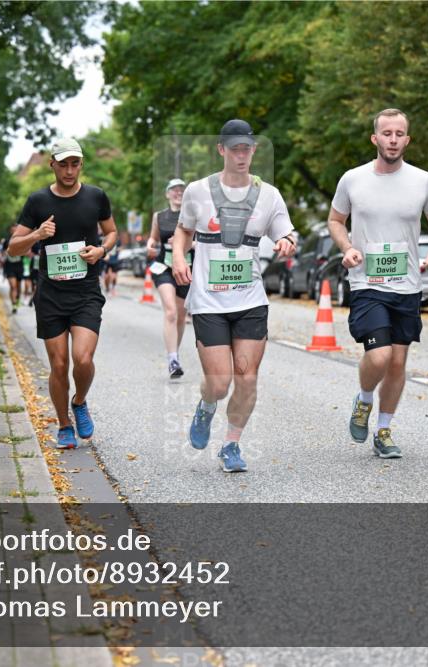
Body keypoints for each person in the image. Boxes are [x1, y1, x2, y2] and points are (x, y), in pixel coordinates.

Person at [172, 120, 296, 472]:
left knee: (247, 378)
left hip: (250, 300)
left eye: (247, 149)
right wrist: (180, 256)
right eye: (235, 149)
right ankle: (207, 406)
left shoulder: (269, 194)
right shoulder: (198, 191)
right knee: (219, 382)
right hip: (209, 301)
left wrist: (287, 241)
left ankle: (230, 445)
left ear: (253, 150)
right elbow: (182, 232)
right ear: (221, 149)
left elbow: (285, 231)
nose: (242, 155)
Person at [327, 108, 428, 459]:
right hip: (367, 282)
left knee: (397, 364)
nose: (393, 140)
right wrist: (347, 248)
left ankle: (383, 431)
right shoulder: (353, 179)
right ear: (375, 138)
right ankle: (364, 400)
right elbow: (336, 220)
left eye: (399, 134)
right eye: (387, 133)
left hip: (407, 285)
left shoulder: (423, 181)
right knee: (378, 356)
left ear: (407, 140)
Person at [7, 138, 117, 450]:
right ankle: (64, 424)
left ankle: (79, 401)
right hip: (51, 294)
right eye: (63, 163)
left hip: (85, 292)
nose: (69, 170)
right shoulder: (38, 201)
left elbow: (111, 232)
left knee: (82, 359)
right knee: (58, 365)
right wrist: (37, 234)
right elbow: (13, 248)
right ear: (52, 164)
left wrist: (101, 250)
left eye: (75, 163)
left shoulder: (96, 197)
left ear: (81, 165)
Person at [147, 178, 191, 379]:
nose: (178, 192)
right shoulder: (159, 216)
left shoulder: (193, 215)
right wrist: (150, 246)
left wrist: (184, 244)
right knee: (171, 311)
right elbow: (153, 238)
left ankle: (175, 354)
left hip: (186, 268)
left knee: (181, 316)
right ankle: (172, 359)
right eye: (174, 189)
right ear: (167, 194)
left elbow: (202, 242)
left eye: (182, 189)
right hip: (164, 267)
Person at [0, 224, 22, 313]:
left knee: (18, 287)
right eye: (12, 230)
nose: (14, 231)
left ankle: (18, 298)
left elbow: (27, 251)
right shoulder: (6, 241)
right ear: (10, 231)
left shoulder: (22, 239)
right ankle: (14, 305)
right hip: (9, 266)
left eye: (16, 230)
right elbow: (2, 253)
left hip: (19, 265)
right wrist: (3, 255)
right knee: (13, 286)